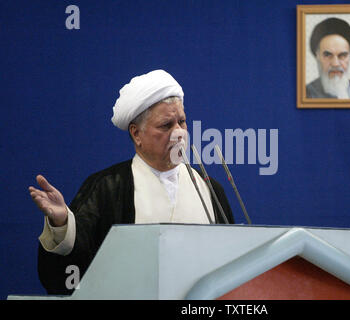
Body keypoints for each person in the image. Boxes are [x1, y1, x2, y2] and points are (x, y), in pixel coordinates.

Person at [29, 69, 235, 295]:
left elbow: (233, 267)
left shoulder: (210, 188)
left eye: (182, 122)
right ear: (137, 134)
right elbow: (77, 266)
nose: (179, 133)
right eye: (166, 125)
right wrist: (62, 225)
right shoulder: (107, 188)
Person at [306, 17, 350, 99]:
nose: (335, 63)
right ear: (317, 56)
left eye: (342, 56)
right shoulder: (305, 94)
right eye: (328, 55)